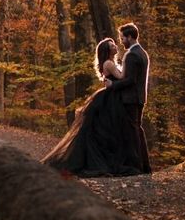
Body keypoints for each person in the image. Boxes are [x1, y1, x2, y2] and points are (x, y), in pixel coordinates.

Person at [42, 36, 146, 177]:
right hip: (112, 99)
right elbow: (122, 77)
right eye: (112, 45)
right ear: (107, 50)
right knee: (111, 130)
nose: (115, 46)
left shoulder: (110, 62)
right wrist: (127, 62)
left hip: (112, 97)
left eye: (114, 44)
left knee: (111, 131)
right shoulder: (109, 63)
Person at [103, 22, 151, 174]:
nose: (121, 41)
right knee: (137, 130)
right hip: (140, 98)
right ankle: (144, 165)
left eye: (123, 38)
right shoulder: (143, 53)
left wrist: (112, 85)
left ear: (130, 37)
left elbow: (130, 80)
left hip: (130, 99)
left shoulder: (131, 55)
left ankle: (136, 166)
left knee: (132, 133)